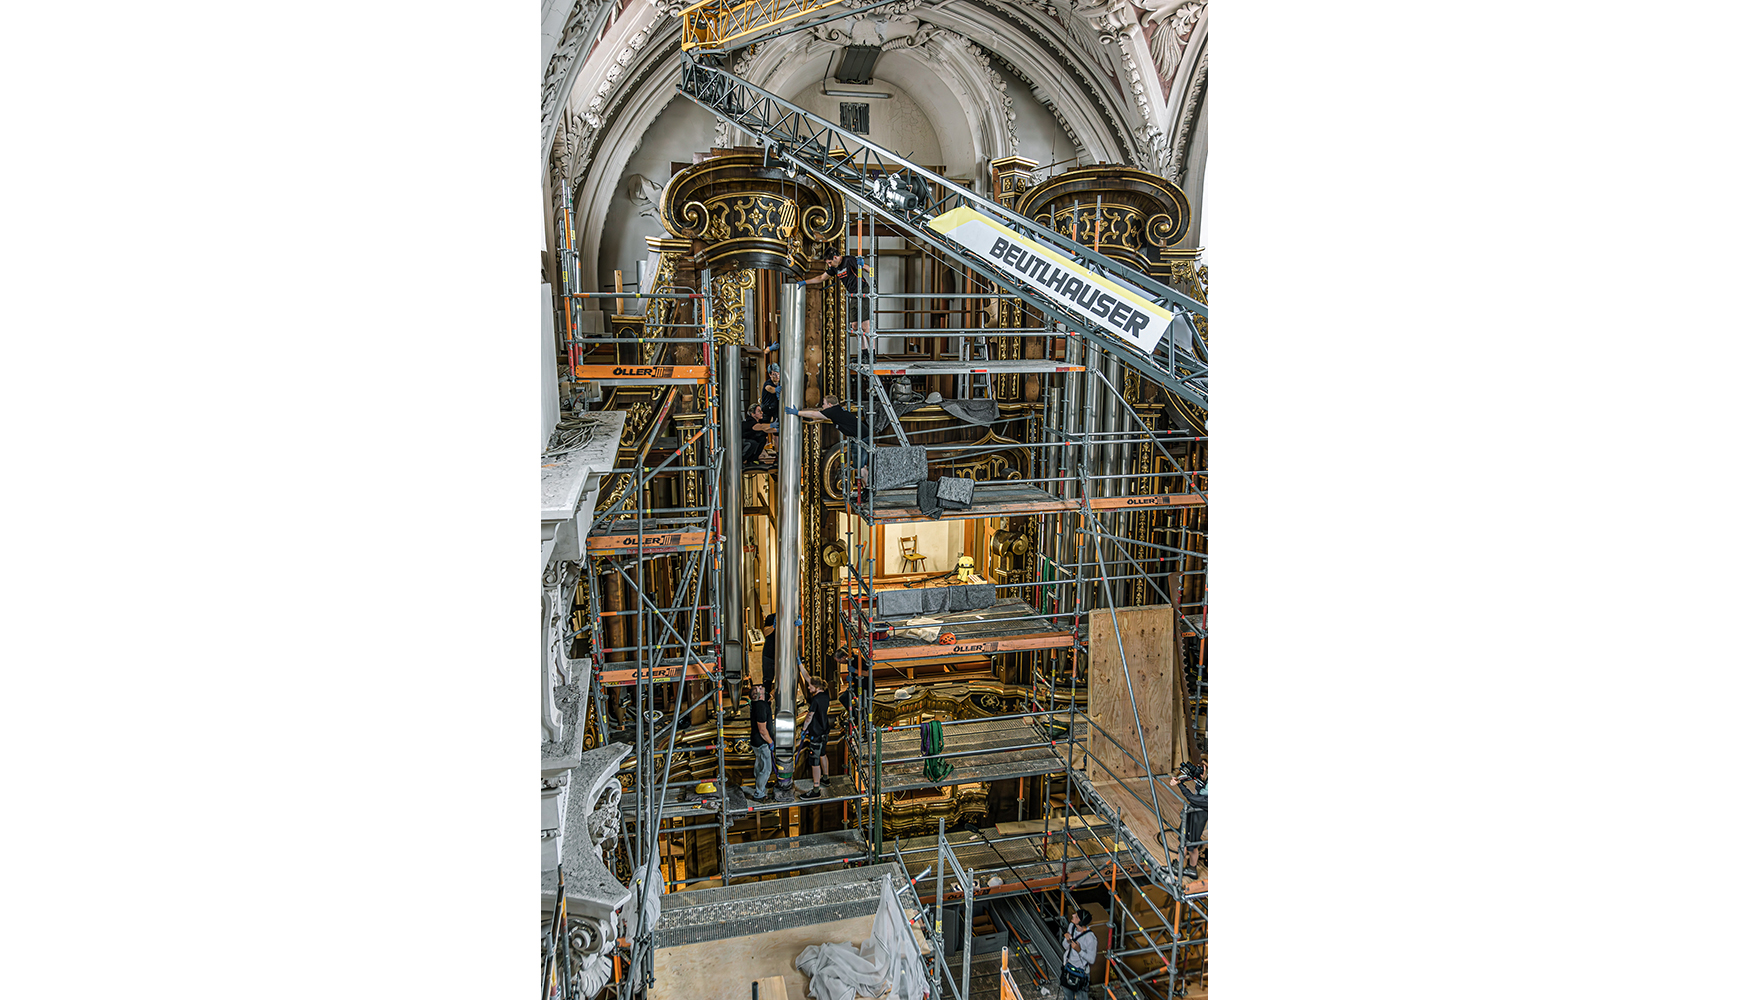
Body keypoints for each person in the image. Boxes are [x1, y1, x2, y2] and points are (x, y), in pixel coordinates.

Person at [804, 253, 873, 350]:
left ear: (835, 258)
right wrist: (804, 282)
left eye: (829, 262)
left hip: (863, 291)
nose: (829, 265)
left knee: (865, 326)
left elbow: (870, 270)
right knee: (855, 326)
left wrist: (863, 266)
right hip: (853, 295)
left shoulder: (849, 260)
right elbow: (821, 278)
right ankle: (864, 353)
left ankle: (872, 354)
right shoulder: (834, 268)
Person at [1168, 758, 1207, 877]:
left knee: (1190, 844)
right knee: (1185, 842)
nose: (1202, 768)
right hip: (1193, 814)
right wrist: (1199, 778)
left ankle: (1187, 868)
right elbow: (1200, 788)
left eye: (1204, 766)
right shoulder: (1207, 781)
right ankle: (1183, 867)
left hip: (1198, 817)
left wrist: (1180, 785)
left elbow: (1193, 798)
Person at [797, 669, 832, 798]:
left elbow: (809, 717)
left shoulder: (815, 700)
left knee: (814, 761)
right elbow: (808, 677)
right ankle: (826, 778)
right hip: (825, 731)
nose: (808, 686)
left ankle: (816, 790)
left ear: (816, 687)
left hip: (815, 734)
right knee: (823, 754)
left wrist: (803, 729)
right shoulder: (826, 694)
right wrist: (800, 664)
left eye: (810, 686)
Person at [1060, 908, 1098, 1000]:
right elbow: (1065, 946)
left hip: (1081, 972)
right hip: (1068, 967)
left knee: (1081, 997)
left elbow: (1092, 959)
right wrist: (1068, 940)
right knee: (1067, 996)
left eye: (1076, 916)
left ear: (1080, 922)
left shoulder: (1090, 938)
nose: (1073, 915)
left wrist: (1079, 950)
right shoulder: (1072, 927)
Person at [748, 682, 774, 801]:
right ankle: (759, 793)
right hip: (762, 742)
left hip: (755, 741)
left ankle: (761, 785)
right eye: (759, 688)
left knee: (759, 764)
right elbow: (762, 730)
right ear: (757, 695)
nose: (761, 687)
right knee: (766, 768)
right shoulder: (761, 707)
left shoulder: (757, 704)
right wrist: (770, 742)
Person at [834, 645, 867, 718]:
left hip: (865, 686)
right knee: (843, 698)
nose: (840, 663)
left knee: (864, 706)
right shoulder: (849, 662)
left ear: (843, 657)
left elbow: (868, 673)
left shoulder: (857, 660)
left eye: (840, 661)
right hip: (857, 685)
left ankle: (861, 719)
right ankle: (855, 716)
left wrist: (854, 671)